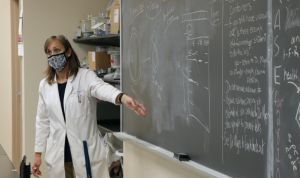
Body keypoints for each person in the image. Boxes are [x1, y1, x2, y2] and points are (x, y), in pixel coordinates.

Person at [31, 35, 146, 178]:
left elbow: (102, 88)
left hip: (84, 152)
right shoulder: (45, 85)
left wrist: (121, 96)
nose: (53, 55)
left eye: (56, 50)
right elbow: (42, 121)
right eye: (49, 52)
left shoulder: (85, 76)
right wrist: (37, 154)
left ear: (68, 52)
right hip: (58, 155)